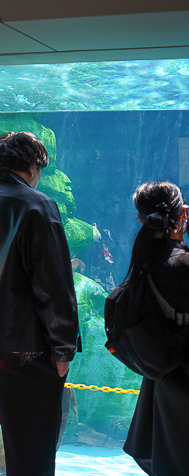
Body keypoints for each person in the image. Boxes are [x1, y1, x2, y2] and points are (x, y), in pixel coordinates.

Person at [0, 131, 81, 475]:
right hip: (16, 349)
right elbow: (54, 286)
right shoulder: (36, 206)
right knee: (29, 450)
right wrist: (63, 349)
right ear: (33, 166)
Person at [119, 181, 189, 474]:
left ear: (140, 219)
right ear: (183, 214)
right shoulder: (183, 264)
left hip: (164, 379)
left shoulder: (141, 266)